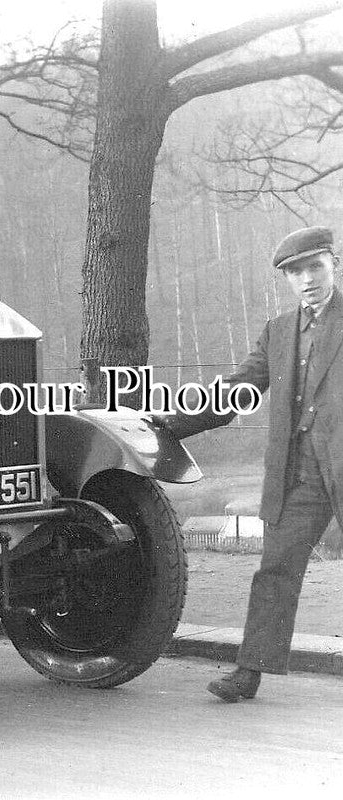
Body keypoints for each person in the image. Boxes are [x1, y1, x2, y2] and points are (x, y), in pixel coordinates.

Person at [158, 225, 343, 703]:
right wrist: (171, 425)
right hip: (296, 476)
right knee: (275, 571)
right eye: (296, 272)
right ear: (287, 280)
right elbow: (237, 392)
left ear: (334, 266)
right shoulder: (278, 332)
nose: (307, 279)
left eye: (315, 267)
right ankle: (249, 671)